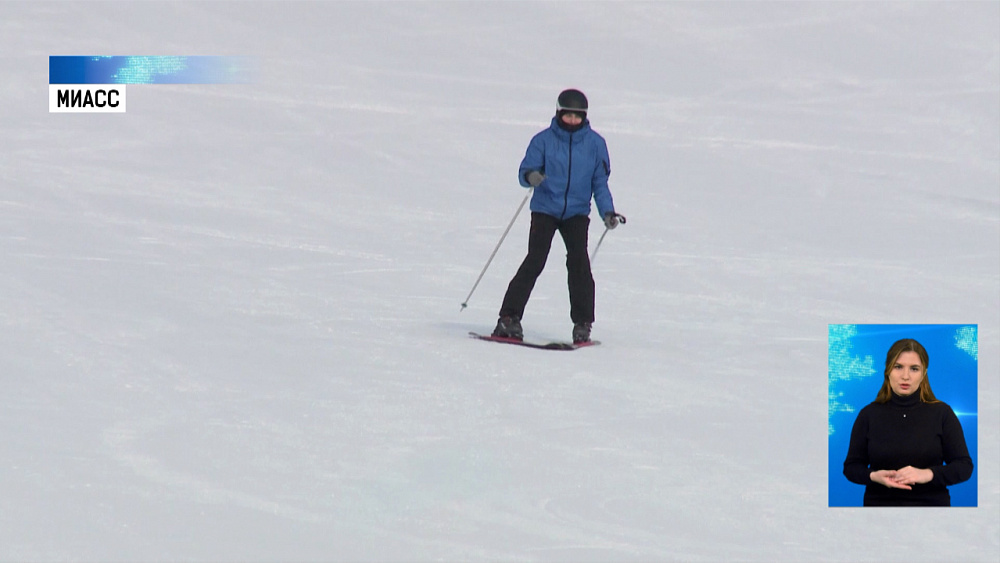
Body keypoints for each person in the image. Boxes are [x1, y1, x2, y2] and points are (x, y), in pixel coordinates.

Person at [492, 88, 620, 344]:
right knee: (535, 259)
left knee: (579, 264)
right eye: (568, 116)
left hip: (576, 212)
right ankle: (508, 318)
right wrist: (531, 177)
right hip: (545, 209)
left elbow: (600, 182)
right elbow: (526, 169)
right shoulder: (543, 140)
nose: (572, 121)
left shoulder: (596, 144)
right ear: (559, 113)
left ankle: (583, 324)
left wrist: (607, 211)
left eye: (577, 116)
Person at [843, 338, 974, 506]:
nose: (905, 376)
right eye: (898, 367)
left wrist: (927, 474)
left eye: (914, 369)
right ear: (888, 370)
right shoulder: (868, 415)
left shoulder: (942, 413)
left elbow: (964, 467)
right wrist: (873, 476)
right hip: (878, 511)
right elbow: (851, 467)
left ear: (924, 373)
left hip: (933, 511)